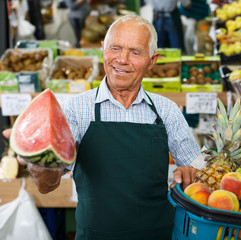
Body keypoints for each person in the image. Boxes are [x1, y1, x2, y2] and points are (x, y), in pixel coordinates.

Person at [3, 15, 201, 239]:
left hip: (157, 234)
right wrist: (38, 164)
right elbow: (48, 185)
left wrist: (191, 173)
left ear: (152, 60)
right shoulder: (76, 110)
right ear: (103, 49)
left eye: (135, 52)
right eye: (115, 48)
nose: (122, 59)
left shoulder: (166, 111)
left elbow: (200, 170)